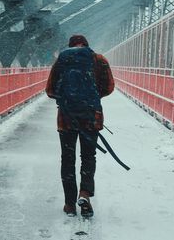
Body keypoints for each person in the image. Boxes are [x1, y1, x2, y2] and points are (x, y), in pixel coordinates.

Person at [46, 35, 114, 218]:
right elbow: (109, 87)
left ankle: (69, 204)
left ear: (70, 47)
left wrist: (67, 98)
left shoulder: (62, 59)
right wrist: (91, 98)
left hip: (66, 118)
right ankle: (84, 194)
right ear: (87, 45)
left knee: (68, 159)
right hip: (91, 117)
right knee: (88, 157)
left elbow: (50, 90)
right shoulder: (98, 60)